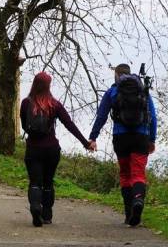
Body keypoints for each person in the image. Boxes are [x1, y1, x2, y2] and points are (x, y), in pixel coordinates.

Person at [88, 63, 157, 227]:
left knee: (125, 174)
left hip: (121, 137)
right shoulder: (143, 90)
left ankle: (128, 214)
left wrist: (93, 137)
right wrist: (152, 140)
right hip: (141, 137)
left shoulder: (112, 91)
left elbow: (101, 116)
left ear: (117, 75)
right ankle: (138, 201)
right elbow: (153, 117)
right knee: (138, 174)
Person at [20, 71, 92, 227]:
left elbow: (24, 125)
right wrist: (85, 143)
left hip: (33, 149)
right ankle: (46, 214)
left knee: (35, 182)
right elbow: (69, 124)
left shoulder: (26, 103)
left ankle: (35, 207)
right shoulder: (55, 104)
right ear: (48, 86)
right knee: (48, 182)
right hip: (52, 150)